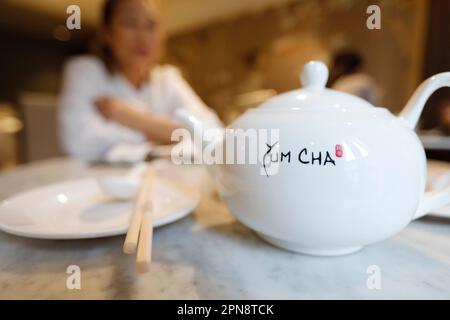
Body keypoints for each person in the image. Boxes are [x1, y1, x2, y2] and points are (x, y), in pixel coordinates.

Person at [59, 0, 220, 161]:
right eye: (130, 23)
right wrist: (165, 135)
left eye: (151, 25)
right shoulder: (85, 72)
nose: (143, 36)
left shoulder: (167, 78)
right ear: (107, 33)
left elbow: (213, 132)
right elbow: (78, 143)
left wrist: (127, 116)